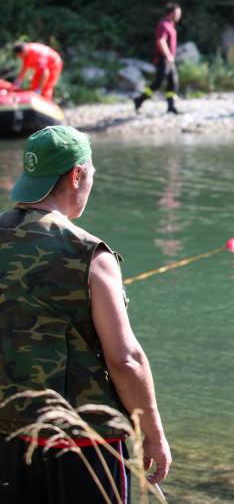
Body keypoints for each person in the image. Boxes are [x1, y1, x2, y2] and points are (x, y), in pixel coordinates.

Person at [0, 126, 171, 503]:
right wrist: (153, 434)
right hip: (83, 441)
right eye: (91, 174)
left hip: (6, 433)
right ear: (77, 175)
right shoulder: (88, 254)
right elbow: (125, 359)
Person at [133, 2, 182, 114]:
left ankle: (171, 106)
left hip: (169, 60)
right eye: (178, 13)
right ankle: (139, 100)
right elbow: (161, 41)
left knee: (173, 82)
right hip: (163, 59)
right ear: (171, 13)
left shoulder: (170, 25)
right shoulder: (163, 25)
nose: (179, 15)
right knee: (158, 83)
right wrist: (168, 55)